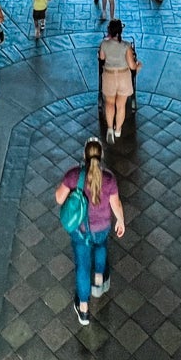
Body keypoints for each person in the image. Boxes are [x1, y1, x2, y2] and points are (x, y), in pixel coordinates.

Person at [54, 138, 124, 326]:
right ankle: (99, 281)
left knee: (82, 267)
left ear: (84, 155)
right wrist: (121, 221)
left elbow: (59, 199)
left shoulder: (73, 175)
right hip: (101, 228)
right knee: (101, 248)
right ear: (101, 156)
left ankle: (84, 310)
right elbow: (115, 204)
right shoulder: (108, 178)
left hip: (81, 230)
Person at [99, 19, 141, 140]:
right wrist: (139, 65)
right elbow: (132, 66)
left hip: (109, 76)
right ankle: (118, 130)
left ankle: (110, 128)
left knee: (109, 103)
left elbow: (102, 58)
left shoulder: (104, 44)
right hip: (123, 77)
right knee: (121, 105)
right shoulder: (126, 46)